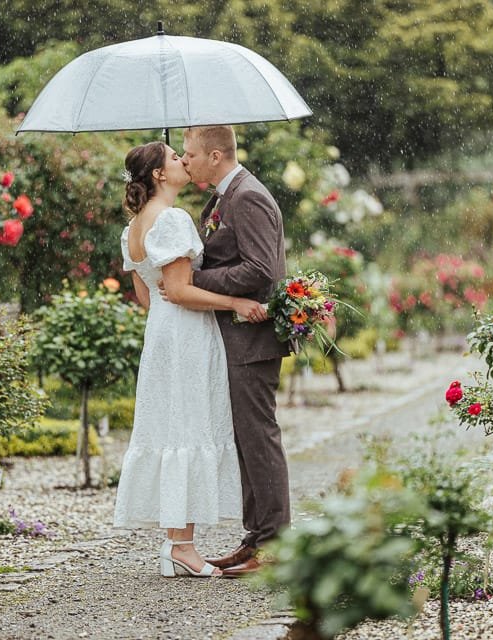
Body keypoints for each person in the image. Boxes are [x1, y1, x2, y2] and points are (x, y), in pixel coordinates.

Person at [112, 141, 267, 578]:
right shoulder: (173, 218)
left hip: (160, 334)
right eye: (174, 157)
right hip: (186, 333)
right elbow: (178, 290)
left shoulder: (134, 227)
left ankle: (177, 543)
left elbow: (147, 295)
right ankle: (181, 546)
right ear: (160, 175)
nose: (183, 160)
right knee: (189, 424)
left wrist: (175, 302)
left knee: (172, 427)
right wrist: (234, 302)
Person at [179, 125, 292, 578]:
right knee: (247, 440)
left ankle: (275, 543)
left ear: (216, 154)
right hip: (238, 337)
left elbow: (261, 270)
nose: (185, 162)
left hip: (253, 338)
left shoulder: (248, 195)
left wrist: (193, 281)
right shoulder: (225, 197)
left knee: (259, 437)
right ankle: (257, 537)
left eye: (190, 155)